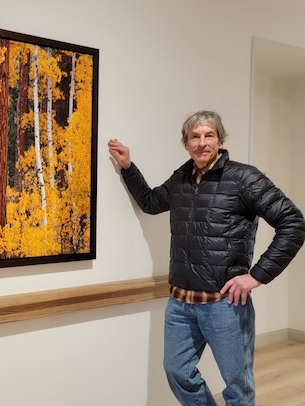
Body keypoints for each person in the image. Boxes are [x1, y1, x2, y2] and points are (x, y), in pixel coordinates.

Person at [107, 110, 305, 406]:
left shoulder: (244, 178)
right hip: (179, 305)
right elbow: (150, 203)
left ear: (220, 141)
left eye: (208, 135)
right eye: (195, 137)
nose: (202, 142)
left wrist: (256, 276)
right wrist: (127, 167)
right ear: (185, 144)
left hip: (225, 306)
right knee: (178, 372)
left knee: (238, 386)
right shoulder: (180, 179)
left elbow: (293, 223)